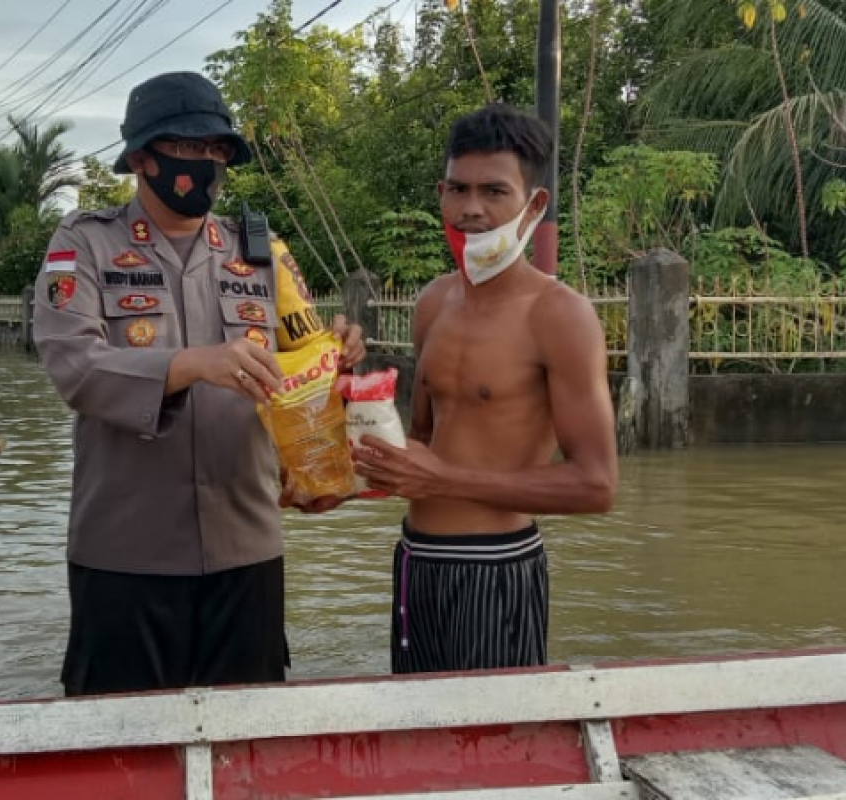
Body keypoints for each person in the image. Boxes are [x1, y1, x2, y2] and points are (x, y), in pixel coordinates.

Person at [34, 71, 365, 697]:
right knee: (121, 749)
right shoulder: (85, 244)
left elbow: (306, 370)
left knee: (248, 746)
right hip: (126, 556)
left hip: (247, 550)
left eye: (217, 151)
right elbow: (73, 366)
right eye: (189, 148)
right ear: (140, 158)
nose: (207, 165)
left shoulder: (262, 252)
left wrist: (338, 354)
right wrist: (191, 364)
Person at [353, 104, 618, 675]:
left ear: (534, 204)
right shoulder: (432, 303)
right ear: (441, 193)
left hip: (495, 564)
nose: (471, 209)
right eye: (458, 189)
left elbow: (597, 484)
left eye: (494, 191)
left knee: (491, 750)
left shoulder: (560, 315)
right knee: (412, 739)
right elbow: (420, 442)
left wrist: (444, 478)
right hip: (415, 559)